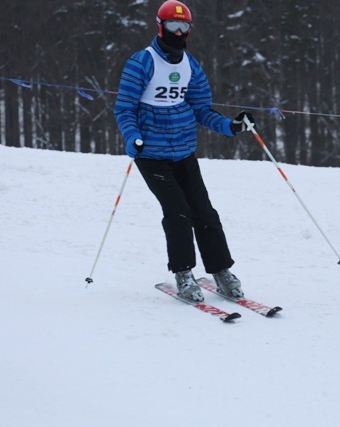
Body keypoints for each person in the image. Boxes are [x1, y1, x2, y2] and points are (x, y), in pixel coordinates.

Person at [114, 0, 254, 302]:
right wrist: (132, 136)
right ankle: (184, 273)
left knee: (204, 211)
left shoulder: (191, 65)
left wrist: (232, 126)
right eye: (173, 26)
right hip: (150, 155)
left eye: (185, 27)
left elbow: (201, 109)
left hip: (184, 152)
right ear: (160, 27)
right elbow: (124, 108)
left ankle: (221, 271)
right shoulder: (142, 62)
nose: (179, 32)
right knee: (177, 212)